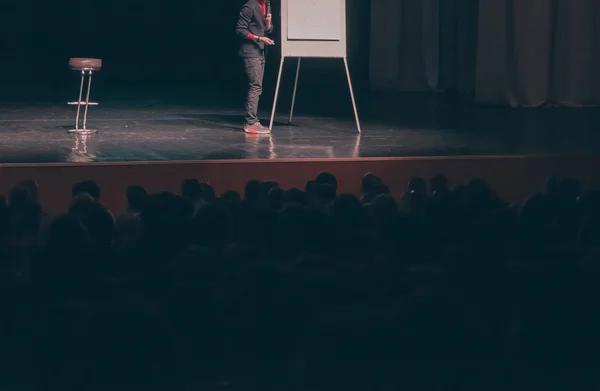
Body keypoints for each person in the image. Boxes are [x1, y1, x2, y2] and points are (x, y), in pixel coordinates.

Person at [236, 0, 275, 134]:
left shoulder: (266, 5)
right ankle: (251, 122)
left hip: (260, 52)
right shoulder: (249, 6)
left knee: (257, 86)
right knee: (255, 86)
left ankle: (252, 120)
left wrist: (268, 22)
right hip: (251, 52)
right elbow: (240, 30)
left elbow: (268, 29)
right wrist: (260, 38)